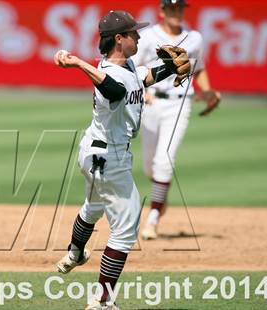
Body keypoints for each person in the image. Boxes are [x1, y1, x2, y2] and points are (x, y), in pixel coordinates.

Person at [53, 10, 190, 310]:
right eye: (133, 33)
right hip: (108, 158)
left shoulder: (125, 66)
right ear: (119, 39)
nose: (139, 36)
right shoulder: (109, 76)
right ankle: (102, 301)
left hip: (94, 152)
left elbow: (146, 77)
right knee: (127, 226)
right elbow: (113, 88)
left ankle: (76, 252)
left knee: (94, 206)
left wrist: (172, 66)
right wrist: (77, 63)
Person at [132, 0, 221, 240]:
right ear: (162, 11)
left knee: (164, 161)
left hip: (179, 103)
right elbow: (133, 67)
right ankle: (161, 196)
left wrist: (208, 92)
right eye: (172, 8)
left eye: (180, 8)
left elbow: (198, 69)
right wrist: (143, 91)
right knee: (150, 166)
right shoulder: (148, 36)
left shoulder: (194, 38)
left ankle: (152, 219)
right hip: (151, 103)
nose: (177, 12)